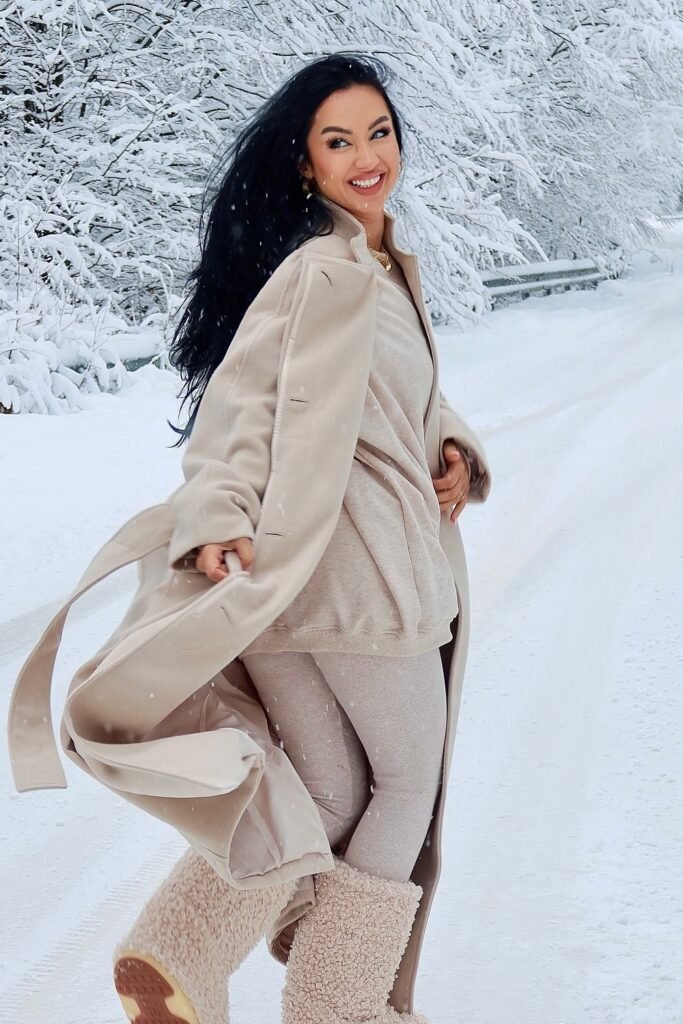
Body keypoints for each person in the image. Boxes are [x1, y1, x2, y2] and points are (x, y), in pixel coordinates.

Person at [108, 52, 492, 1024]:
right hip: (356, 585)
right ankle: (336, 1007)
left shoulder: (364, 268)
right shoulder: (323, 270)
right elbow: (241, 407)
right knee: (405, 782)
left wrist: (451, 445)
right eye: (338, 140)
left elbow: (397, 399)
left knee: (325, 792)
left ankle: (173, 955)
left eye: (379, 132)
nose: (367, 155)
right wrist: (213, 516)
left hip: (287, 588)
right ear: (304, 163)